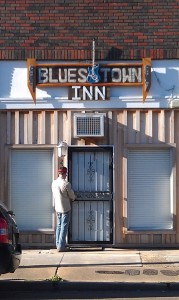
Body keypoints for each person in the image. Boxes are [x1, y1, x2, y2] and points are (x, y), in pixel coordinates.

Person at [52, 166, 75, 252]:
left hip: (57, 207)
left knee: (58, 225)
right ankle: (61, 246)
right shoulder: (66, 184)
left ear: (59, 173)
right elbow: (71, 195)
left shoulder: (54, 183)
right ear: (65, 173)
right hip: (65, 207)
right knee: (64, 226)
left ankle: (58, 244)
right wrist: (74, 198)